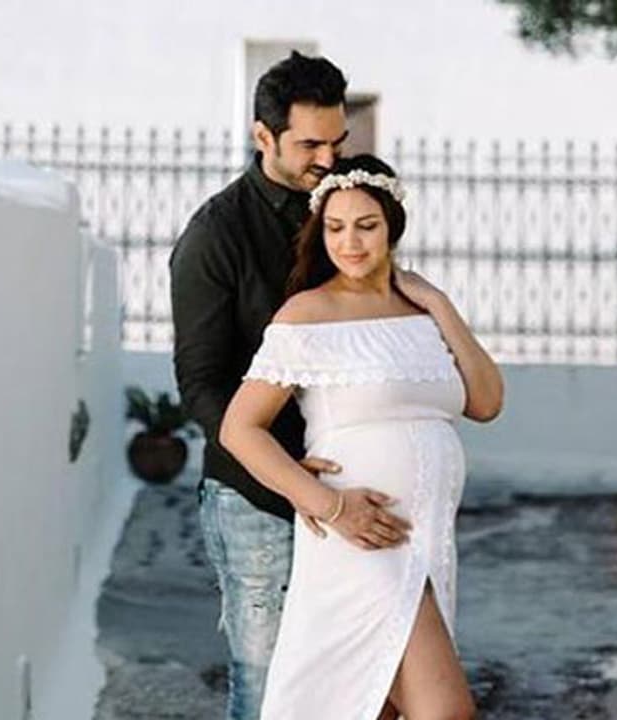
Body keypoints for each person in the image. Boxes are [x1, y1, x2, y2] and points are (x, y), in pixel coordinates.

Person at [170, 52, 412, 719]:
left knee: (359, 683)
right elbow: (200, 383)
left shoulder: (343, 210)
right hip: (256, 501)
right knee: (270, 688)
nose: (328, 159)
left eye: (338, 142)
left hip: (357, 485)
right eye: (309, 145)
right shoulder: (214, 236)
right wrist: (287, 474)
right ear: (263, 136)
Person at [219, 154, 504, 719]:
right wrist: (327, 504)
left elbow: (486, 401)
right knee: (445, 711)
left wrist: (438, 303)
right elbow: (239, 429)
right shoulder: (308, 314)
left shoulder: (421, 311)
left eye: (366, 226)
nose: (349, 243)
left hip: (426, 538)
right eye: (335, 227)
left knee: (374, 707)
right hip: (361, 540)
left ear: (392, 228)